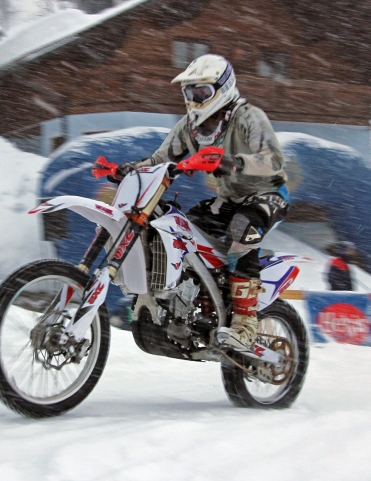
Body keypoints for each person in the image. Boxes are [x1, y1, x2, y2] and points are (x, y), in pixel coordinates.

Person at [113, 54, 289, 350]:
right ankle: (193, 304)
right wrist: (129, 168)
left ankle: (245, 323)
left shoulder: (248, 116)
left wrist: (232, 163)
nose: (195, 100)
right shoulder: (189, 128)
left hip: (267, 194)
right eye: (190, 93)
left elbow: (274, 160)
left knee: (242, 229)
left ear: (224, 88)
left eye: (202, 92)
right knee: (180, 230)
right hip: (230, 198)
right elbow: (160, 159)